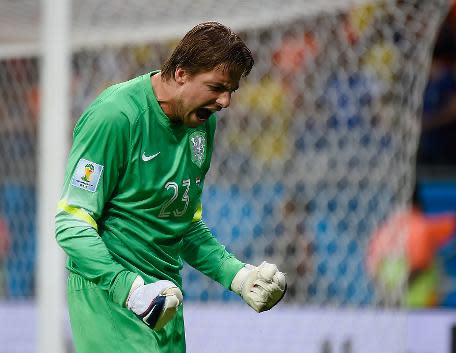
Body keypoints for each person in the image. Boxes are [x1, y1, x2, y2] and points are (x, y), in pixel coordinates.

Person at [55, 22, 287, 353]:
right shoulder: (116, 116)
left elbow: (184, 226)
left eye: (231, 91)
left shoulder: (202, 125)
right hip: (109, 296)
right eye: (217, 87)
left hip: (164, 302)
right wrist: (131, 289)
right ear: (181, 74)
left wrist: (239, 277)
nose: (225, 102)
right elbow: (71, 222)